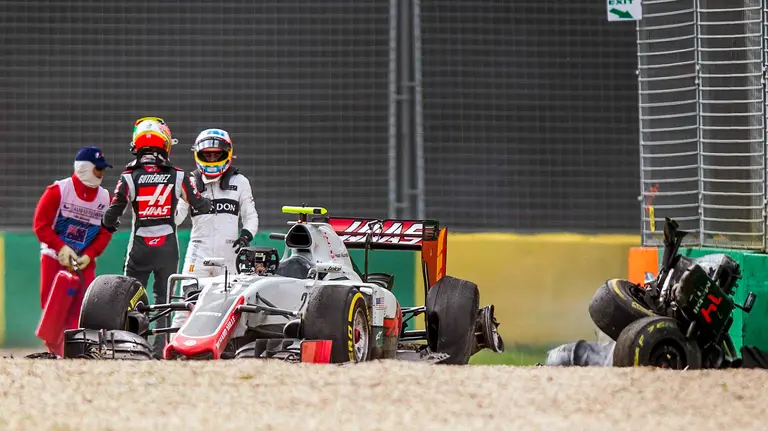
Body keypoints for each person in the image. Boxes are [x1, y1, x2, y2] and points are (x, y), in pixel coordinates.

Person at [101, 117, 212, 358]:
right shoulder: (179, 175)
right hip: (167, 246)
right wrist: (206, 201)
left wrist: (109, 224)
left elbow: (112, 213)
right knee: (166, 299)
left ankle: (131, 347)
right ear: (165, 144)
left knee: (130, 296)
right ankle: (162, 350)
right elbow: (200, 205)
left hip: (139, 245)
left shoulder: (129, 176)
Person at [169, 128, 259, 334]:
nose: (211, 158)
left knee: (234, 308)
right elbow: (176, 217)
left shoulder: (240, 181)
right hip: (198, 253)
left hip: (231, 254)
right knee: (184, 307)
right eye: (206, 154)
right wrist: (166, 200)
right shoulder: (189, 182)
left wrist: (246, 236)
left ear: (227, 154)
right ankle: (172, 354)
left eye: (216, 154)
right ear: (197, 155)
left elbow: (251, 216)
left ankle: (234, 354)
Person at [32, 146, 114, 356]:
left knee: (82, 307)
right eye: (98, 169)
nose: (101, 174)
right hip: (54, 257)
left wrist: (91, 254)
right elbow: (41, 225)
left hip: (83, 261)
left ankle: (75, 350)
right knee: (52, 305)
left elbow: (106, 232)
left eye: (103, 170)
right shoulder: (58, 191)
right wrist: (61, 247)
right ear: (85, 168)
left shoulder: (105, 199)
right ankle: (54, 349)